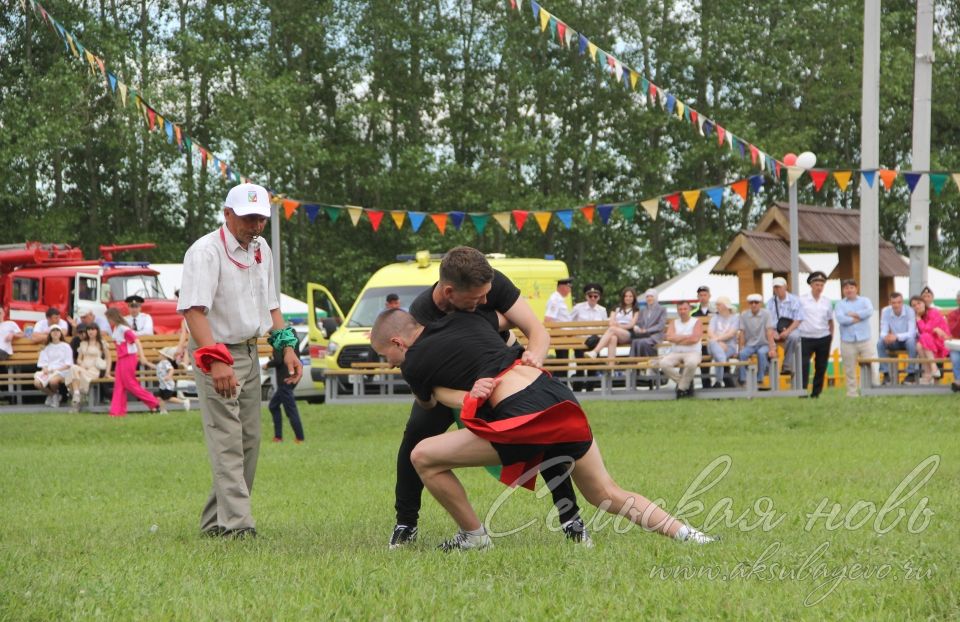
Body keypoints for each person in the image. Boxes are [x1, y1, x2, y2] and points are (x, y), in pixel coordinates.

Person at [370, 309, 717, 550]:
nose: (389, 363)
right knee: (607, 493)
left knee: (423, 457)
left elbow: (429, 404)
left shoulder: (413, 362)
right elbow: (512, 322)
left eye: (387, 355)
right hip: (557, 395)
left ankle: (474, 536)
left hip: (524, 415)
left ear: (399, 343)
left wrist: (453, 393)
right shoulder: (469, 321)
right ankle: (689, 535)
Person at [390, 247, 585, 550]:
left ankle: (571, 520)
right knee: (415, 440)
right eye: (476, 299)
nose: (484, 300)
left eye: (487, 296)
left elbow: (535, 330)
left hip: (501, 373)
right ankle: (406, 523)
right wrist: (463, 397)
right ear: (449, 292)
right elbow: (427, 381)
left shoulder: (490, 283)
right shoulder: (421, 315)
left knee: (539, 431)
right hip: (452, 383)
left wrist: (535, 357)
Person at [178, 182, 302, 539]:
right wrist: (216, 361)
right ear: (227, 215)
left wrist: (287, 347)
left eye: (261, 218)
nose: (256, 226)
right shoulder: (205, 252)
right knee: (227, 439)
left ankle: (215, 521)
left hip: (251, 351)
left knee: (249, 440)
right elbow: (194, 312)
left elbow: (272, 305)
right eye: (249, 218)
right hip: (215, 350)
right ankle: (238, 526)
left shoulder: (262, 248)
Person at [105, 308, 159, 416]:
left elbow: (137, 341)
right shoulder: (117, 328)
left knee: (130, 384)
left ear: (113, 317)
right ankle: (117, 411)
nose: (108, 321)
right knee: (119, 385)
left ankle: (154, 402)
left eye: (108, 318)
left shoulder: (123, 329)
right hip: (121, 359)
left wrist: (142, 356)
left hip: (128, 357)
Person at [834, 279, 879, 396]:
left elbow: (869, 311)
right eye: (846, 288)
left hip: (865, 339)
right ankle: (852, 393)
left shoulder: (865, 300)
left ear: (856, 288)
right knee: (849, 368)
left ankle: (872, 390)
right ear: (843, 290)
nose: (849, 290)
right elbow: (840, 319)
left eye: (851, 287)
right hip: (847, 340)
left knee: (870, 365)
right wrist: (856, 319)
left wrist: (854, 314)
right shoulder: (840, 304)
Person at [798, 271, 834, 399]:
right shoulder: (802, 300)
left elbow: (830, 321)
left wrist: (831, 336)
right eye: (817, 284)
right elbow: (797, 318)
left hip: (823, 336)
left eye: (821, 285)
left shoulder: (827, 302)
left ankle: (816, 393)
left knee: (821, 366)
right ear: (811, 285)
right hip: (806, 336)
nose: (819, 287)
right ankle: (802, 391)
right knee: (803, 365)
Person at [659, 300, 703, 398]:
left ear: (690, 309)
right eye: (680, 309)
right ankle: (685, 384)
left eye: (685, 309)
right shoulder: (673, 322)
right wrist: (687, 337)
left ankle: (681, 389)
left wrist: (677, 338)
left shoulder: (696, 321)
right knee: (663, 363)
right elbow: (669, 338)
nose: (682, 311)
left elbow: (695, 339)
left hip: (693, 352)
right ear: (677, 310)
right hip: (675, 352)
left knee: (691, 363)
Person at [265, 338, 305, 443]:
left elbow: (278, 360)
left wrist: (268, 364)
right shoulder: (292, 335)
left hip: (285, 379)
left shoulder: (279, 338)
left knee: (291, 410)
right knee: (273, 406)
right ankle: (278, 437)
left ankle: (299, 438)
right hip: (292, 377)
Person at [584, 287, 638, 360]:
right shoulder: (616, 308)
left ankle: (595, 352)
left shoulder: (636, 310)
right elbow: (611, 322)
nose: (628, 298)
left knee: (612, 329)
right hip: (616, 332)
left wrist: (619, 326)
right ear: (623, 297)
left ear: (634, 298)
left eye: (630, 296)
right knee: (613, 338)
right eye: (626, 296)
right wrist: (615, 326)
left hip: (628, 334)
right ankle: (611, 367)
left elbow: (631, 325)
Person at [876, 292, 918, 385]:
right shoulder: (885, 311)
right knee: (880, 342)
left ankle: (910, 374)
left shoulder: (910, 311)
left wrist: (896, 336)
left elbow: (911, 333)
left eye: (899, 302)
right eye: (894, 302)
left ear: (902, 302)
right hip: (894, 341)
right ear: (890, 302)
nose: (896, 305)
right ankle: (886, 374)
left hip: (906, 340)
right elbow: (883, 330)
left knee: (911, 341)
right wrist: (886, 336)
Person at [69, 322, 111, 413]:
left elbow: (108, 358)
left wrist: (107, 372)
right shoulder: (83, 343)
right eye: (89, 330)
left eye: (93, 329)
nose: (90, 332)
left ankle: (77, 400)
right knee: (73, 368)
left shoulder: (101, 343)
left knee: (76, 374)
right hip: (84, 367)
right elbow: (79, 359)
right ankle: (77, 395)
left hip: (94, 369)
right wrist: (82, 364)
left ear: (97, 331)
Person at [737, 294, 777, 388]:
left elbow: (769, 332)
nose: (754, 305)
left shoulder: (766, 314)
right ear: (749, 304)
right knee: (742, 354)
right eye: (751, 303)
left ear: (760, 304)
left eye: (756, 302)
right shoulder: (744, 314)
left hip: (765, 343)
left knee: (761, 353)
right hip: (750, 345)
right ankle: (743, 380)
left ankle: (760, 379)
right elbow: (742, 332)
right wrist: (740, 348)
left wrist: (772, 349)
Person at [910, 295, 949, 385]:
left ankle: (931, 369)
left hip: (941, 342)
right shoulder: (916, 317)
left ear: (924, 303)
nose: (917, 306)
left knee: (924, 337)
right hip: (927, 345)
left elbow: (926, 330)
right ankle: (929, 372)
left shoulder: (933, 312)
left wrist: (919, 319)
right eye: (914, 305)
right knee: (919, 345)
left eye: (919, 303)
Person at [768, 277, 802, 376]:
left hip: (791, 328)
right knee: (766, 337)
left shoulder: (795, 300)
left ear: (785, 287)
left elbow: (798, 320)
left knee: (794, 337)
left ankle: (787, 365)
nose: (777, 290)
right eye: (775, 287)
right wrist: (773, 332)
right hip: (775, 329)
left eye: (779, 287)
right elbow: (768, 322)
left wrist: (787, 332)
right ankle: (769, 369)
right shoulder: (770, 302)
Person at [33, 326, 74, 408]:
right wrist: (45, 369)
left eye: (57, 331)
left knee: (53, 381)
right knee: (37, 383)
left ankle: (54, 396)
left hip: (63, 371)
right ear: (50, 334)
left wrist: (55, 370)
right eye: (53, 331)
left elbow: (68, 364)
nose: (55, 332)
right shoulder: (46, 347)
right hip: (49, 371)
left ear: (60, 333)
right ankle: (54, 395)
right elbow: (43, 362)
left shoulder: (66, 346)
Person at [706, 296, 739, 388]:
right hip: (714, 346)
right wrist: (718, 343)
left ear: (725, 306)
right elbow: (710, 332)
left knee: (717, 353)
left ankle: (718, 382)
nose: (716, 306)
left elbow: (731, 334)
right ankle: (723, 361)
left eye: (718, 304)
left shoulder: (735, 318)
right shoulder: (714, 318)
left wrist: (716, 340)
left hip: (729, 347)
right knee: (714, 346)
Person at [629, 288, 666, 357]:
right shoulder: (643, 310)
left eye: (651, 296)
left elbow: (660, 325)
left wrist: (647, 330)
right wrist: (637, 328)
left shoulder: (662, 309)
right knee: (635, 341)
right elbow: (639, 323)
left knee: (642, 342)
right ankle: (633, 362)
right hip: (643, 335)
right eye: (647, 297)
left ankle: (644, 362)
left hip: (655, 335)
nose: (649, 298)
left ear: (655, 297)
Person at [691, 285, 715, 388]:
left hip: (713, 342)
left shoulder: (715, 312)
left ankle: (725, 384)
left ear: (709, 296)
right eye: (700, 295)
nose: (703, 297)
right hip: (699, 343)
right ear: (698, 297)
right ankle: (705, 386)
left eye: (705, 295)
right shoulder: (693, 313)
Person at [155, 347, 191, 414]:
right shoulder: (160, 363)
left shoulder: (166, 362)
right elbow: (155, 367)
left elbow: (171, 369)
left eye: (160, 354)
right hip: (163, 384)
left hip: (167, 384)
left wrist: (169, 376)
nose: (158, 356)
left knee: (167, 398)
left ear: (164, 356)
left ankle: (184, 402)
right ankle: (163, 411)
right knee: (160, 398)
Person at [946, 290, 960, 393]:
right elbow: (952, 330)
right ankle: (958, 381)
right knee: (955, 358)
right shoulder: (952, 315)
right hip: (956, 343)